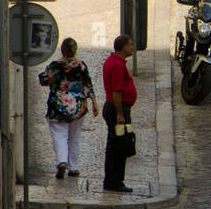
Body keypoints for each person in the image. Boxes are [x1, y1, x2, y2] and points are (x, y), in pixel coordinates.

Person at [38, 38, 98, 179]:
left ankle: (62, 161)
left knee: (60, 135)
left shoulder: (55, 66)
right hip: (77, 106)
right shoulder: (81, 66)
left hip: (58, 106)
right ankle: (74, 167)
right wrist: (94, 103)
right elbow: (88, 85)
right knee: (74, 137)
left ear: (62, 50)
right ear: (75, 50)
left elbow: (43, 80)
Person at [102, 34, 137, 193]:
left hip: (115, 108)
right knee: (119, 147)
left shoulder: (114, 61)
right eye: (130, 45)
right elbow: (117, 91)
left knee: (114, 145)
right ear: (123, 47)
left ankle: (111, 180)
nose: (132, 47)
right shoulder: (117, 65)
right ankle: (115, 181)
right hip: (118, 109)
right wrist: (120, 114)